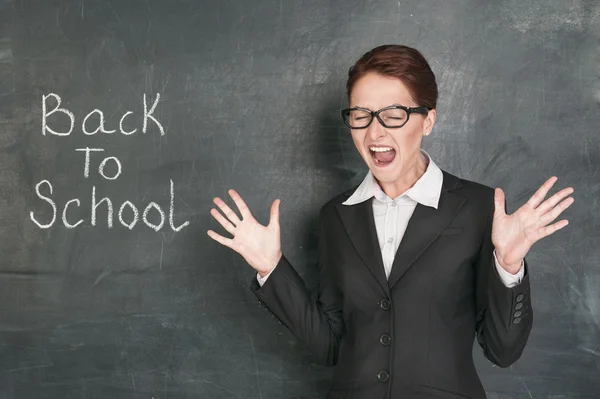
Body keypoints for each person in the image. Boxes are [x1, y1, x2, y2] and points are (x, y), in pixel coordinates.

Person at [206, 44, 575, 399]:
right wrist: (272, 269)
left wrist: (508, 267)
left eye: (394, 114)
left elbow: (503, 350)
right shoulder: (337, 215)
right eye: (360, 115)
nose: (375, 132)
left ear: (428, 120)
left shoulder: (478, 208)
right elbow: (331, 346)